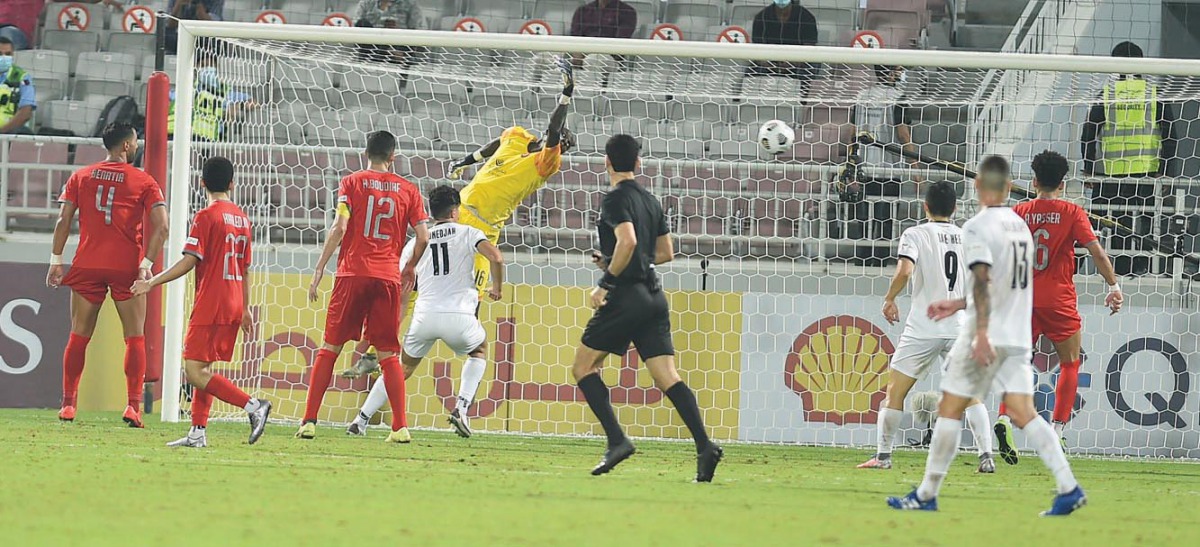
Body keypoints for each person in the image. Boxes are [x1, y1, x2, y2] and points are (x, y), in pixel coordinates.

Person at [340, 57, 574, 391]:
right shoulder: (519, 137)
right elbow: (497, 142)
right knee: (409, 279)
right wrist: (467, 161)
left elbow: (552, 130)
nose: (561, 144)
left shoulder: (546, 163)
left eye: (563, 143)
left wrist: (566, 93)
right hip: (455, 216)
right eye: (563, 139)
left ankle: (463, 374)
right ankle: (375, 351)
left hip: (480, 233)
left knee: (469, 300)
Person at [888, 156, 1086, 516]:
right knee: (1026, 413)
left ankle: (927, 494)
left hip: (988, 332)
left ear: (977, 186)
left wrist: (978, 332)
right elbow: (1007, 283)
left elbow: (983, 279)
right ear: (1009, 187)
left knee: (950, 407)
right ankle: (1068, 487)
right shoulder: (1018, 226)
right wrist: (957, 303)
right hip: (1017, 334)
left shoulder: (978, 226)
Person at [571, 134, 723, 481]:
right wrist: (614, 261)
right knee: (668, 377)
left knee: (583, 368)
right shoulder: (651, 201)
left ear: (606, 162)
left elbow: (629, 241)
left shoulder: (613, 199)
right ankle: (705, 445)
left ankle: (617, 440)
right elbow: (665, 253)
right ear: (639, 164)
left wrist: (606, 280)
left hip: (626, 296)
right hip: (654, 296)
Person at [297, 130, 430, 442]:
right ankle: (400, 428)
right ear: (393, 156)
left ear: (365, 152)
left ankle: (309, 422)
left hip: (351, 274)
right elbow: (423, 236)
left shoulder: (351, 182)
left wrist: (319, 267)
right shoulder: (408, 190)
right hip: (386, 277)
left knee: (330, 348)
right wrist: (409, 266)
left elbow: (340, 226)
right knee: (388, 354)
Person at [131, 157, 272, 448]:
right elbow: (246, 268)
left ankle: (253, 406)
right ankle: (197, 432)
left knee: (194, 372)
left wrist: (152, 282)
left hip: (213, 301)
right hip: (233, 301)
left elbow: (189, 261)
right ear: (232, 184)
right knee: (204, 369)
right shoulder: (243, 218)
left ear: (202, 183)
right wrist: (246, 307)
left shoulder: (207, 216)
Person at [992, 150, 1123, 463]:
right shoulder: (1072, 212)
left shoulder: (1019, 211)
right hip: (1059, 297)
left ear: (1034, 180)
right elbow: (1096, 253)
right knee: (1070, 362)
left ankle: (1004, 418)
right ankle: (1057, 431)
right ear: (1062, 184)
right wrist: (1114, 286)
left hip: (1023, 296)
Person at [856, 181, 995, 473]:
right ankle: (986, 457)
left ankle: (883, 457)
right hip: (959, 327)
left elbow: (906, 270)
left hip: (923, 327)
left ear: (925, 207)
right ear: (955, 208)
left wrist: (890, 298)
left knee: (895, 391)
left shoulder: (915, 234)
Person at [346, 186, 505, 439]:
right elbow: (496, 258)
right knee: (479, 350)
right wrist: (496, 287)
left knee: (400, 369)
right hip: (460, 317)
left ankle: (360, 420)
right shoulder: (469, 233)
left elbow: (403, 287)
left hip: (424, 316)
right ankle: (461, 409)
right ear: (456, 211)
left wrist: (392, 324)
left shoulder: (417, 241)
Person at [46, 122, 169, 427]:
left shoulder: (81, 175)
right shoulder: (144, 181)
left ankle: (69, 405)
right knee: (135, 337)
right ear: (125, 146)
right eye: (135, 141)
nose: (138, 145)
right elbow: (163, 227)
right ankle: (132, 406)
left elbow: (64, 220)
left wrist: (55, 260)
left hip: (87, 262)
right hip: (126, 266)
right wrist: (147, 263)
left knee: (78, 335)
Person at [1079, 41, 1177, 276]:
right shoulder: (1154, 95)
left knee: (1101, 223)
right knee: (1142, 224)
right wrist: (1165, 171)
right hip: (1145, 173)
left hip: (1110, 173)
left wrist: (1089, 168)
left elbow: (1088, 134)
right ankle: (1138, 269)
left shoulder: (1107, 95)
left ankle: (1079, 266)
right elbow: (1171, 135)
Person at [844, 65, 919, 265]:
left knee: (864, 216)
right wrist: (914, 165)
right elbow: (903, 134)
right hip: (888, 168)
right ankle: (881, 260)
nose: (901, 73)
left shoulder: (862, 96)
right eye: (897, 70)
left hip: (864, 167)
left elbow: (851, 133)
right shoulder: (898, 98)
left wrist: (851, 161)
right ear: (889, 73)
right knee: (884, 217)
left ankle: (862, 259)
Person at [167, 50, 258, 143]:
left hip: (208, 140)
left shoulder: (226, 92)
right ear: (195, 69)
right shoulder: (185, 89)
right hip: (177, 136)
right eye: (202, 66)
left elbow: (254, 103)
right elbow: (164, 99)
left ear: (216, 68)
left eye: (209, 65)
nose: (206, 69)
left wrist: (239, 106)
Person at [750, 0, 818, 79]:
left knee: (809, 70)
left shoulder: (806, 17)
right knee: (752, 72)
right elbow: (757, 50)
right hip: (768, 64)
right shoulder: (761, 17)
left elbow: (809, 48)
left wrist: (792, 64)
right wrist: (769, 65)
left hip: (798, 64)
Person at [353, 0, 425, 66]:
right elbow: (355, 28)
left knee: (411, 36)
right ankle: (385, 50)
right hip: (370, 50)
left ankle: (389, 51)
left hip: (399, 50)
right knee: (362, 23)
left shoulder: (410, 4)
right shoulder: (366, 3)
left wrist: (398, 32)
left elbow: (419, 33)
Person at [0, 36, 35, 135]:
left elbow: (26, 112)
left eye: (8, 54)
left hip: (8, 134)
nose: (3, 57)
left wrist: (1, 133)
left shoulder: (22, 77)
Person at [571, 0, 637, 39]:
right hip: (582, 50)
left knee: (594, 58)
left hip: (610, 54)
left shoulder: (627, 12)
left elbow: (621, 40)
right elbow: (575, 35)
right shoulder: (583, 10)